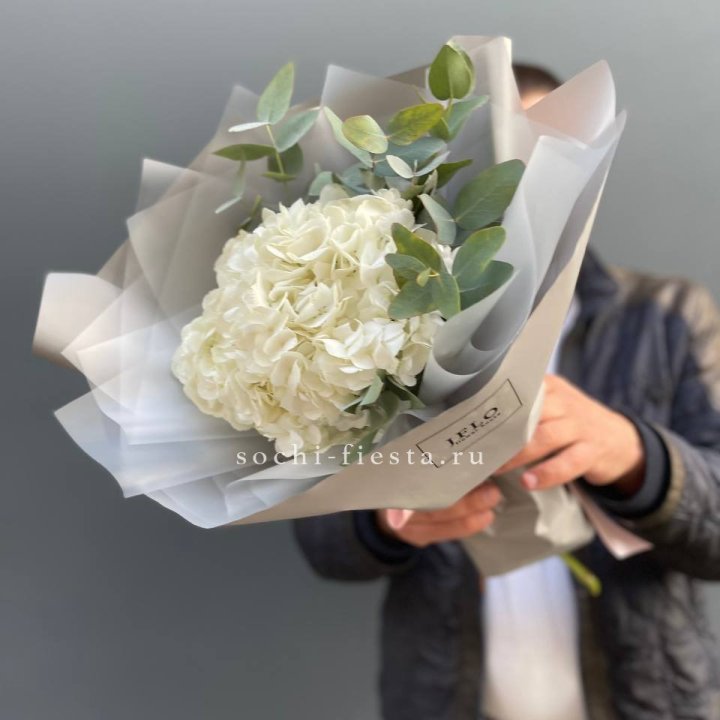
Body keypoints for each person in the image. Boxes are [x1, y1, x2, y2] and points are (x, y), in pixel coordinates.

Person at [293, 65, 720, 720]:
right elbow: (322, 545)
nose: (517, 180)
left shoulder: (669, 314)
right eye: (491, 153)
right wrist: (385, 520)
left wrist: (633, 455)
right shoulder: (383, 328)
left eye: (547, 153)